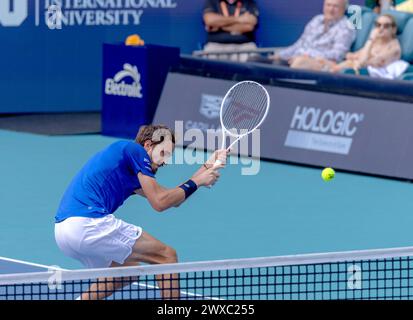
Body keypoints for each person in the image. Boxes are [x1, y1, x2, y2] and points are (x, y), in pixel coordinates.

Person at [54, 124, 228, 300]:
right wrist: (197, 181)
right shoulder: (134, 150)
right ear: (147, 146)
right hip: (87, 223)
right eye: (163, 153)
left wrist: (207, 167)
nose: (165, 161)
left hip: (64, 232)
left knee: (127, 272)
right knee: (166, 256)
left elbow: (171, 199)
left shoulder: (128, 166)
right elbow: (159, 203)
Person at [272, 0, 356, 71]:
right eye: (328, 5)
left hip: (323, 63)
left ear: (343, 9)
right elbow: (300, 43)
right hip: (298, 57)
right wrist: (280, 55)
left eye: (335, 6)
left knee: (300, 62)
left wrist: (308, 54)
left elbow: (338, 54)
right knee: (271, 60)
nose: (331, 9)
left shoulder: (346, 27)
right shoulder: (317, 20)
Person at [330, 14, 401, 73]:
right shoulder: (376, 42)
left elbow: (362, 62)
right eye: (378, 25)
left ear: (393, 29)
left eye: (386, 26)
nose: (381, 28)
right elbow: (352, 55)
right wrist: (355, 58)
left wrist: (371, 39)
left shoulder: (394, 48)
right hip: (356, 68)